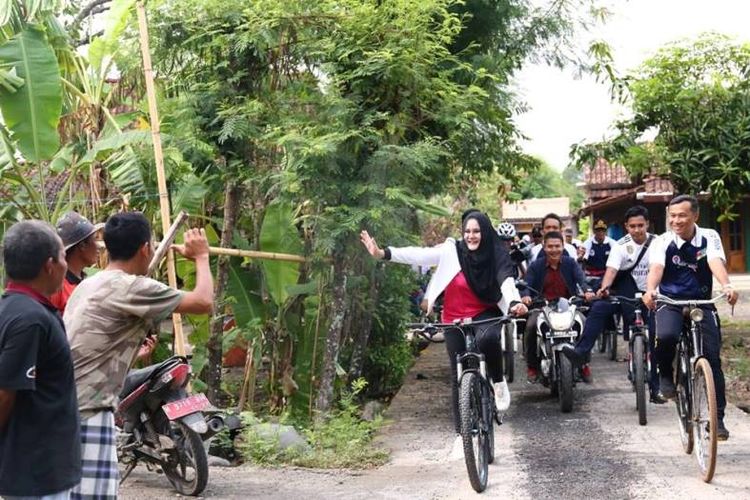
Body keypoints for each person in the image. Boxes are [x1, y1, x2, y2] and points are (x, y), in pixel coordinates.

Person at [65, 212, 215, 498]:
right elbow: (204, 302)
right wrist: (202, 257)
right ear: (145, 248)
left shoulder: (87, 286)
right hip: (88, 412)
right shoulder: (131, 287)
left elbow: (89, 352)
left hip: (65, 408)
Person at [360, 211, 528, 434]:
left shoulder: (497, 254)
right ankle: (463, 432)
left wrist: (515, 301)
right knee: (457, 369)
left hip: (484, 312)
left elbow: (506, 281)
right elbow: (420, 255)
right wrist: (383, 253)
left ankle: (497, 382)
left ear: (485, 232)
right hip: (453, 316)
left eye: (476, 231)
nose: (471, 236)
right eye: (467, 231)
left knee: (488, 339)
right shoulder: (452, 251)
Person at [643, 195, 738, 440]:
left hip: (701, 302)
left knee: (712, 359)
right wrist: (650, 289)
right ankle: (665, 374)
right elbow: (657, 268)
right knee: (665, 336)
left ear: (695, 216)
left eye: (682, 215)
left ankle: (718, 420)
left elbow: (715, 261)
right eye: (672, 216)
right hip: (670, 301)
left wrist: (726, 285)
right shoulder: (662, 241)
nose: (676, 220)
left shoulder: (710, 236)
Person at [0, 221, 82, 498]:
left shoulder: (18, 310)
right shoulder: (30, 320)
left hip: (40, 472)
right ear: (49, 265)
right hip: (34, 475)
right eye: (62, 257)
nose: (65, 266)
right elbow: (4, 393)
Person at [562, 206, 663, 401]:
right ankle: (581, 353)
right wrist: (605, 288)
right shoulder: (620, 246)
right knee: (599, 308)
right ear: (626, 226)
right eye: (632, 226)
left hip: (653, 292)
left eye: (641, 225)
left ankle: (656, 388)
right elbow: (611, 270)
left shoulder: (658, 243)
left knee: (657, 338)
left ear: (647, 224)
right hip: (625, 290)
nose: (637, 230)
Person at [521, 231, 594, 383]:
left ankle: (584, 363)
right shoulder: (536, 266)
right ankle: (532, 367)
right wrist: (526, 296)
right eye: (550, 246)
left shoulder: (570, 263)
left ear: (563, 246)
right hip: (542, 308)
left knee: (585, 323)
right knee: (531, 326)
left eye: (557, 246)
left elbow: (581, 279)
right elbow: (526, 284)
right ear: (544, 246)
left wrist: (587, 291)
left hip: (568, 306)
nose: (554, 250)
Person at [50, 212, 104, 314]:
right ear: (82, 245)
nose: (99, 246)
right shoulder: (57, 288)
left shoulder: (84, 281)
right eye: (94, 240)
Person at [580, 219, 616, 289]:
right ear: (594, 231)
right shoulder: (587, 243)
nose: (601, 233)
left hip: (606, 275)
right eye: (598, 230)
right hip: (591, 276)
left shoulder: (612, 243)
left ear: (606, 231)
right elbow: (583, 260)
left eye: (603, 230)